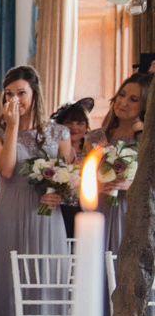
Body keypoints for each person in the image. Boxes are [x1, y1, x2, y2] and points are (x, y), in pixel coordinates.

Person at [0, 65, 73, 316]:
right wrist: (13, 126)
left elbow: (70, 179)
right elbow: (7, 170)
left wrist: (61, 193)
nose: (15, 100)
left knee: (46, 285)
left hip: (46, 220)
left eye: (21, 93)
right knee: (8, 287)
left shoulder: (59, 133)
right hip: (8, 214)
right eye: (8, 94)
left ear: (34, 94)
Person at [82, 73, 151, 254]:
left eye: (133, 99)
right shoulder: (97, 137)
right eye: (122, 95)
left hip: (135, 213)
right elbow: (81, 178)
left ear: (145, 105)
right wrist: (97, 185)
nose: (123, 102)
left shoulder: (149, 140)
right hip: (100, 210)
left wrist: (131, 184)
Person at [51, 98, 94, 238]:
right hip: (60, 208)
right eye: (69, 122)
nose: (74, 127)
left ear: (86, 126)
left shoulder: (93, 152)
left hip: (87, 209)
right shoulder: (54, 151)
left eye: (80, 123)